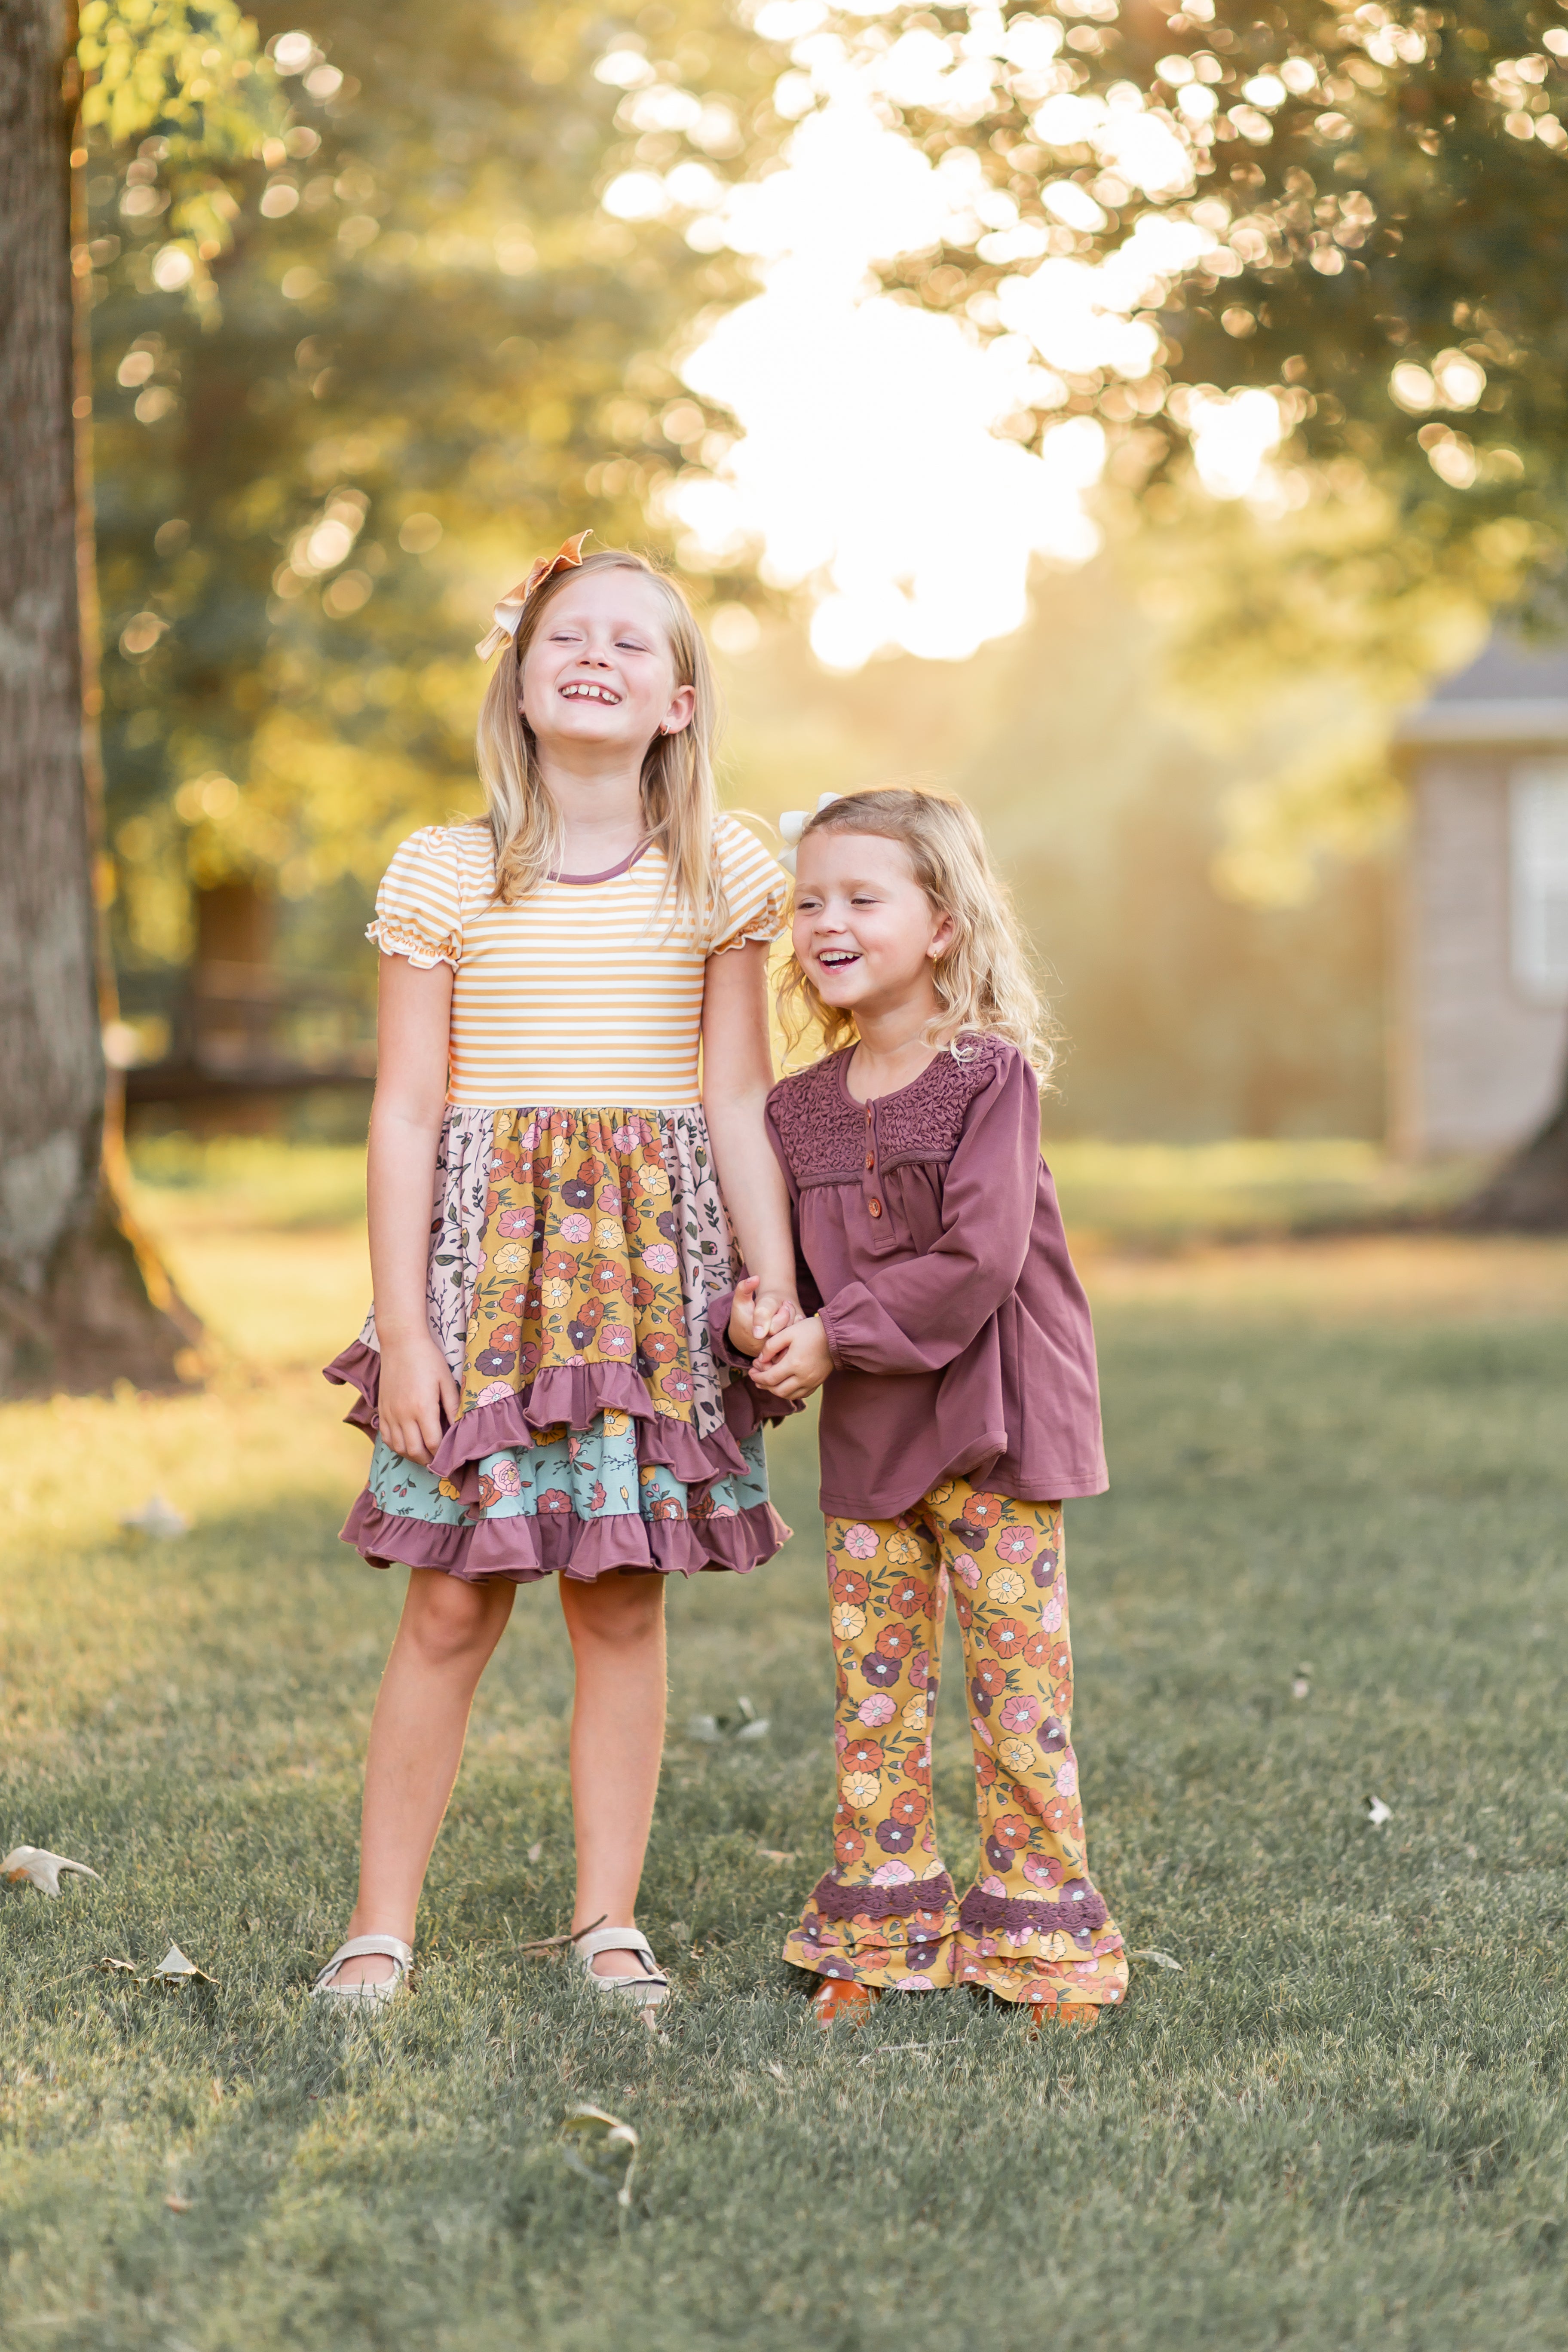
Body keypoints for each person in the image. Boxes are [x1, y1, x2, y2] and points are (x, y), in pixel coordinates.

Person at [314, 537, 797, 2012]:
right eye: (562, 635)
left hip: (650, 1276)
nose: (592, 653)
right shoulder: (445, 868)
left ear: (680, 700)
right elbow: (406, 1106)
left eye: (629, 641)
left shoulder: (725, 869)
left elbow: (736, 1096)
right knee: (451, 1605)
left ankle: (608, 1924)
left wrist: (773, 1282)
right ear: (520, 684)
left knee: (623, 1596)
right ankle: (379, 1929)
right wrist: (405, 1329)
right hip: (489, 1277)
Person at [727, 786, 1127, 2029]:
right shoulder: (794, 1110)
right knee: (878, 1692)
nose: (824, 922)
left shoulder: (985, 1078)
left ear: (943, 921)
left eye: (861, 897)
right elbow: (783, 1275)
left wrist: (831, 1335)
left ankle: (1043, 1946)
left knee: (1018, 1696)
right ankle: (883, 1929)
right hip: (872, 1441)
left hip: (998, 1426)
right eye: (807, 903)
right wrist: (765, 1328)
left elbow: (982, 1256)